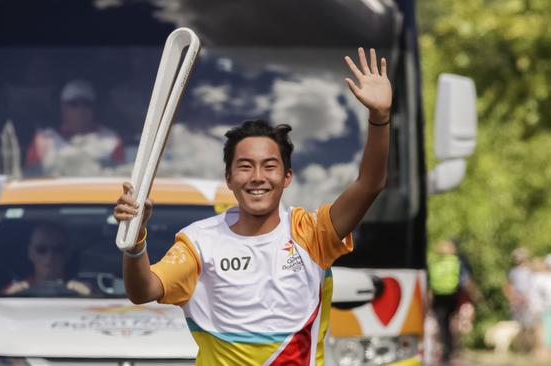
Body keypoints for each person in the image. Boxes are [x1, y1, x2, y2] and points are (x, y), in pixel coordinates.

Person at [113, 48, 390, 365]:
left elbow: (370, 184)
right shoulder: (199, 243)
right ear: (228, 178)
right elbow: (143, 290)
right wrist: (135, 241)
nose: (257, 178)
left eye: (269, 166)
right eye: (245, 167)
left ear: (287, 177)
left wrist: (379, 119)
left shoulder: (312, 234)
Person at [25, 79, 124, 175]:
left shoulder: (112, 141)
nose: (80, 110)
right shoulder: (43, 141)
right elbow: (32, 178)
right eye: (74, 104)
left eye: (86, 104)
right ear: (63, 107)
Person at [2, 223, 90, 296]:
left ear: (67, 254)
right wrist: (9, 297)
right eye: (41, 249)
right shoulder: (13, 291)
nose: (50, 256)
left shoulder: (83, 290)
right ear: (30, 253)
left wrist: (89, 296)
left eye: (57, 250)